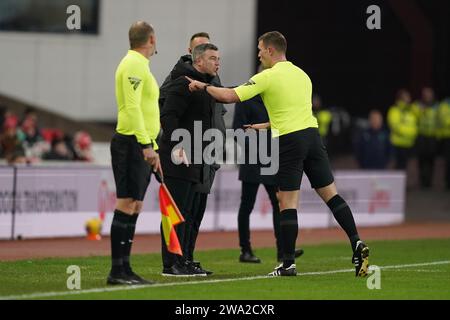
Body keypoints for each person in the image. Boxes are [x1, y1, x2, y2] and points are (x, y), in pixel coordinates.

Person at [187, 31, 369, 277]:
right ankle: (357, 242)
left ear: (271, 50)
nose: (258, 53)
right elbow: (288, 114)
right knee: (331, 196)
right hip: (313, 138)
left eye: (261, 49)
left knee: (286, 201)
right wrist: (261, 126)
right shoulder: (302, 75)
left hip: (290, 142)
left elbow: (229, 96)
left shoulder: (268, 76)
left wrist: (203, 86)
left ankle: (288, 263)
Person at [159, 33, 226, 275]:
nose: (217, 63)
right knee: (174, 212)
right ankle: (170, 263)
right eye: (212, 58)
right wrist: (178, 146)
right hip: (180, 157)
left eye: (218, 58)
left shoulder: (208, 86)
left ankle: (183, 259)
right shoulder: (182, 83)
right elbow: (167, 117)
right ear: (198, 61)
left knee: (187, 212)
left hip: (198, 158)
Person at [107, 21, 162, 285]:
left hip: (141, 142)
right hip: (131, 142)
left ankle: (125, 269)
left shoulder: (140, 66)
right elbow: (131, 108)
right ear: (151, 39)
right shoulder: (133, 65)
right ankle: (117, 270)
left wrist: (154, 147)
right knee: (126, 203)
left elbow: (145, 109)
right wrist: (145, 145)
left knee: (135, 205)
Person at [233, 92, 304, 263]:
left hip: (271, 160)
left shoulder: (274, 99)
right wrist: (258, 150)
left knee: (279, 203)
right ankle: (245, 250)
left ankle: (283, 250)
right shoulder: (246, 99)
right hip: (253, 161)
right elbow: (237, 130)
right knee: (247, 205)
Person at [414, 87, 439, 188]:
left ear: (432, 95)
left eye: (429, 94)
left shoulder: (437, 106)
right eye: (425, 94)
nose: (427, 96)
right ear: (422, 95)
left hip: (432, 136)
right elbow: (414, 118)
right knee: (421, 159)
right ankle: (422, 181)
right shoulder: (417, 105)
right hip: (421, 135)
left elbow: (439, 120)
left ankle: (429, 182)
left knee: (431, 159)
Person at [387, 89, 418, 170]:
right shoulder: (394, 110)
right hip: (397, 144)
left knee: (405, 167)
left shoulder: (411, 110)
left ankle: (402, 182)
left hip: (409, 144)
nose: (409, 99)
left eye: (409, 97)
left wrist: (413, 133)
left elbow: (415, 124)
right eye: (406, 97)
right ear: (400, 98)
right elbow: (395, 126)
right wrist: (410, 133)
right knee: (398, 167)